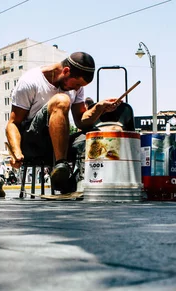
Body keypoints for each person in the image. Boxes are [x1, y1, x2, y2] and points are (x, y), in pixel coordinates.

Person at [6, 52, 120, 193]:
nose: (77, 89)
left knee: (97, 137)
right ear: (66, 71)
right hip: (34, 142)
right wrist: (16, 151)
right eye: (77, 84)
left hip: (61, 143)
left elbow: (81, 122)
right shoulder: (30, 81)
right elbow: (13, 123)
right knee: (62, 100)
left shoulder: (76, 88)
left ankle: (81, 180)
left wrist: (99, 108)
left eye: (81, 86)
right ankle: (62, 167)